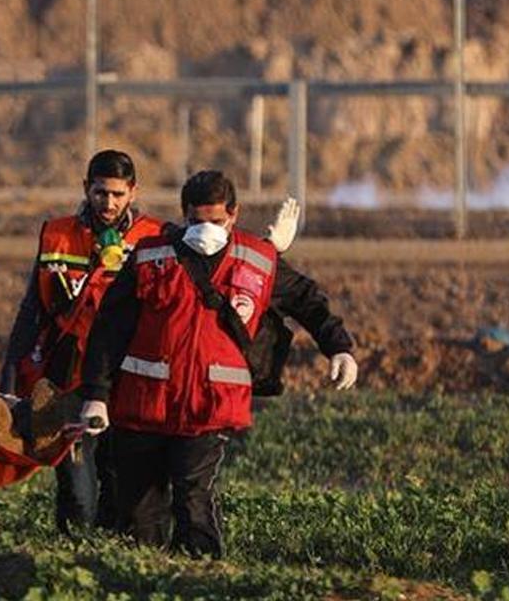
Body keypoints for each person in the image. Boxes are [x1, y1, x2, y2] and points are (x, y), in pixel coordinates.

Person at [79, 170, 358, 558]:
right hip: (143, 407)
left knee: (194, 504)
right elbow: (109, 329)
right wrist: (96, 394)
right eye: (196, 221)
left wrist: (339, 347)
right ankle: (139, 581)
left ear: (234, 215)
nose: (205, 230)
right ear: (183, 215)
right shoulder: (150, 256)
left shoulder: (257, 261)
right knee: (139, 515)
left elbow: (307, 301)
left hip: (206, 410)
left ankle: (199, 578)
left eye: (216, 221)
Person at [0, 149, 164, 534]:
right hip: (69, 373)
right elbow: (33, 307)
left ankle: (113, 553)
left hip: (128, 373)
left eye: (117, 195)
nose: (108, 203)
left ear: (133, 192)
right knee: (75, 480)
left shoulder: (155, 236)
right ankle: (74, 548)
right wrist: (10, 371)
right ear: (86, 188)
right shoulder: (57, 232)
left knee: (120, 472)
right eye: (100, 192)